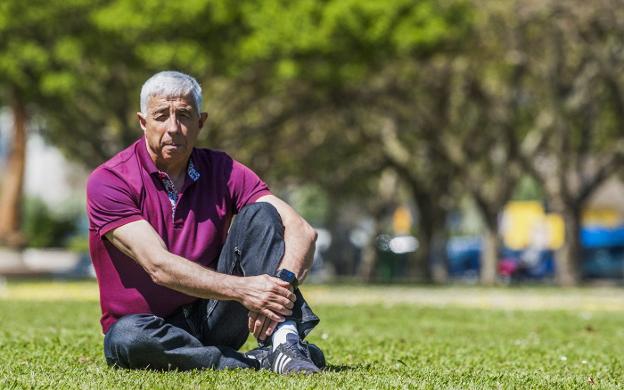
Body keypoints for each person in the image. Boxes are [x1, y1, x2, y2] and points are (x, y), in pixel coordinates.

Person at [86, 70, 324, 374]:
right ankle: (257, 361)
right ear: (143, 122)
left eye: (184, 115)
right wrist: (245, 290)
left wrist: (281, 284)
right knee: (127, 337)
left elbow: (302, 230)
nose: (173, 128)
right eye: (161, 116)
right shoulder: (110, 180)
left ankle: (285, 342)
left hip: (214, 315)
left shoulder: (222, 169)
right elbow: (158, 265)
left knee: (260, 213)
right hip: (150, 330)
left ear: (201, 122)